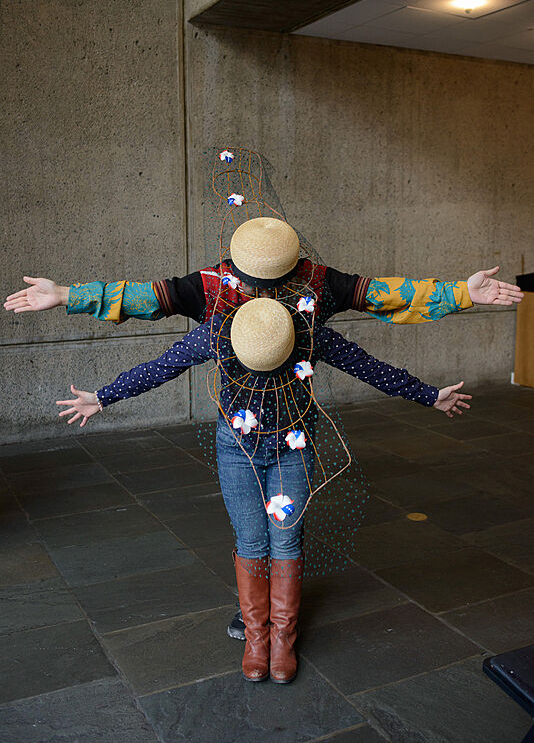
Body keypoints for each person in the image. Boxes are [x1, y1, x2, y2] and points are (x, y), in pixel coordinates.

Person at [3, 216, 524, 642]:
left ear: (294, 266)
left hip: (294, 433)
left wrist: (459, 298)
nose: (262, 290)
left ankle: (280, 626)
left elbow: (385, 311)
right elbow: (147, 309)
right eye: (254, 281)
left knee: (285, 533)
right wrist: (71, 300)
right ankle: (259, 626)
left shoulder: (318, 297)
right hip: (238, 438)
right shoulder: (210, 293)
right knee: (252, 535)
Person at [56, 296, 472, 684]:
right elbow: (163, 366)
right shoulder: (217, 331)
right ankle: (257, 638)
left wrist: (429, 395)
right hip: (237, 452)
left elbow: (368, 366)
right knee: (252, 540)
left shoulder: (307, 331)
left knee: (286, 538)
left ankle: (282, 638)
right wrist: (103, 397)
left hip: (292, 450)